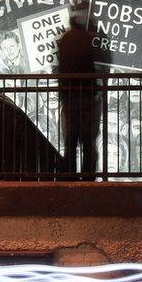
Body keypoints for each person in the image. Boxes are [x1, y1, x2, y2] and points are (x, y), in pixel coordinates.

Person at [55, 20, 103, 178]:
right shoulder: (87, 39)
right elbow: (94, 67)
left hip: (70, 97)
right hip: (86, 97)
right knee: (88, 142)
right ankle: (88, 177)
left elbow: (61, 69)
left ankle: (68, 177)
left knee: (71, 141)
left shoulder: (65, 39)